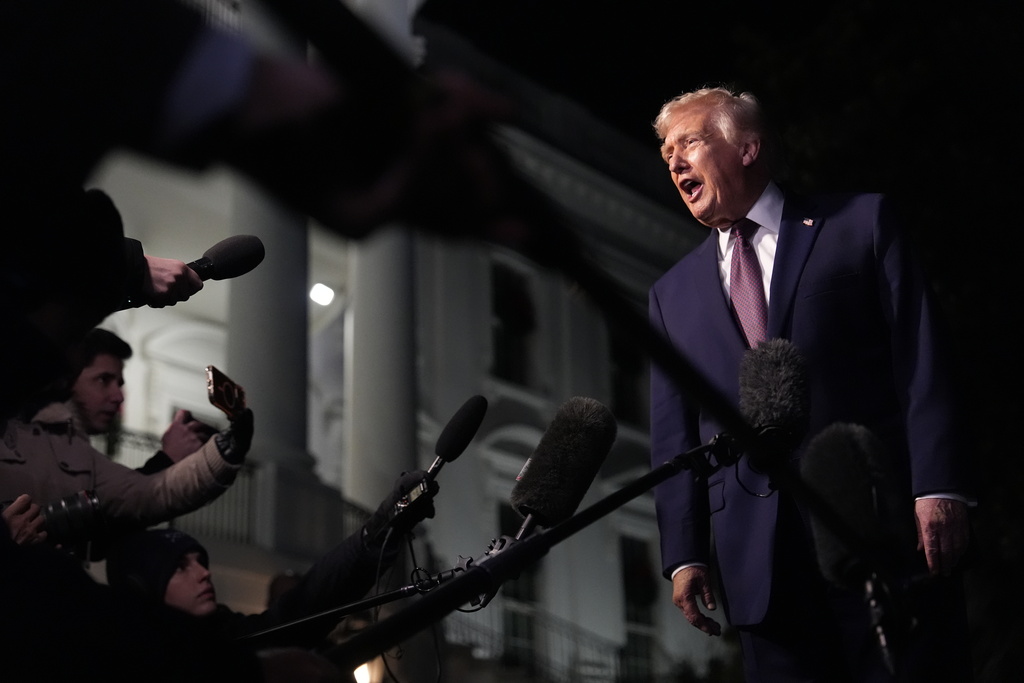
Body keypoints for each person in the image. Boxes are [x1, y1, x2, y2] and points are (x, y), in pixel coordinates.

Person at [648, 87, 973, 682]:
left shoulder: (859, 224)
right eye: (666, 150)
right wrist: (685, 554)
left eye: (690, 141)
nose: (673, 161)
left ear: (748, 148)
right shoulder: (671, 296)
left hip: (878, 524)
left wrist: (940, 484)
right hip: (758, 563)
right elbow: (676, 432)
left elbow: (921, 358)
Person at [105, 470, 437, 647]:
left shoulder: (229, 635)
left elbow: (304, 606)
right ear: (142, 591)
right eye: (180, 568)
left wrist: (380, 529)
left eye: (199, 561)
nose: (203, 574)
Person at [68, 327, 218, 474]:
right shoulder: (50, 446)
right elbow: (122, 497)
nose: (118, 397)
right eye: (103, 380)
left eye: (119, 384)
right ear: (67, 379)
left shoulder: (75, 452)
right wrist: (169, 458)